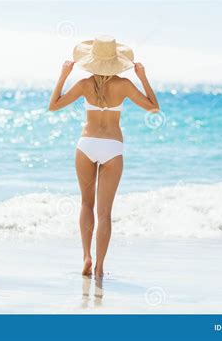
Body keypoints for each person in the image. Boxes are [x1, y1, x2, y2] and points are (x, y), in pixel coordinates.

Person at [49, 35, 159, 277]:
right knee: (104, 212)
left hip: (86, 145)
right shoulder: (125, 85)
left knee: (86, 204)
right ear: (116, 61)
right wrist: (142, 77)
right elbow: (153, 107)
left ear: (91, 60)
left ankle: (86, 257)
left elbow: (53, 105)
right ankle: (99, 266)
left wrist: (64, 75)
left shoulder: (84, 84)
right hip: (112, 148)